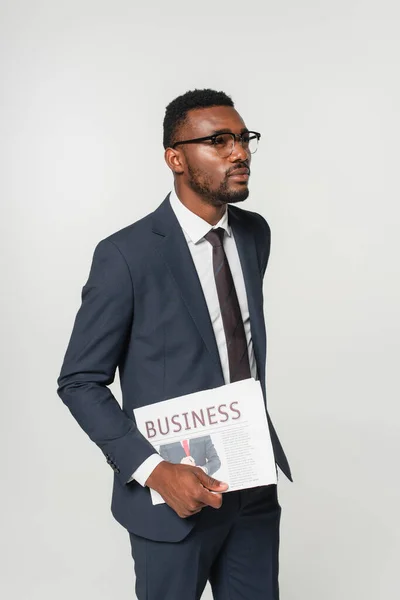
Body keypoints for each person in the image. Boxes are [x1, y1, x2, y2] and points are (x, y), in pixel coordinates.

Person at [57, 88, 292, 600]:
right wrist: (154, 471)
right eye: (219, 140)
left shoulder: (254, 235)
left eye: (243, 138)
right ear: (175, 157)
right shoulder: (125, 255)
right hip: (173, 499)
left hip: (251, 490)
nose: (240, 152)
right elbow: (79, 381)